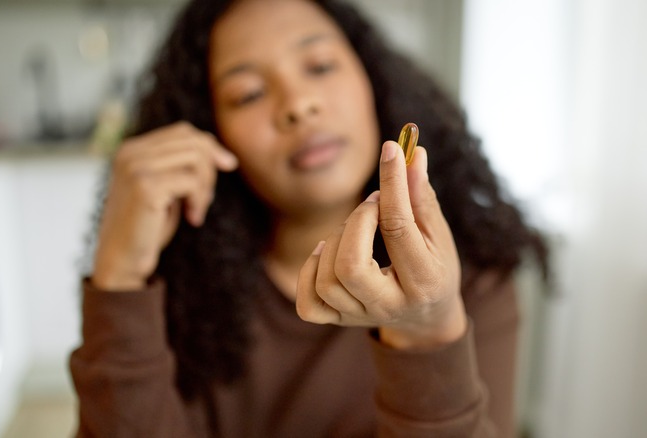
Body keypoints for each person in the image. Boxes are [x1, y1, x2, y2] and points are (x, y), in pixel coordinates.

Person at [69, 0, 548, 436]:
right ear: (212, 133)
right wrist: (118, 278)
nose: (298, 105)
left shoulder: (473, 279)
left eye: (319, 66)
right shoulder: (174, 287)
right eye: (248, 94)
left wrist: (429, 334)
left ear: (374, 82)